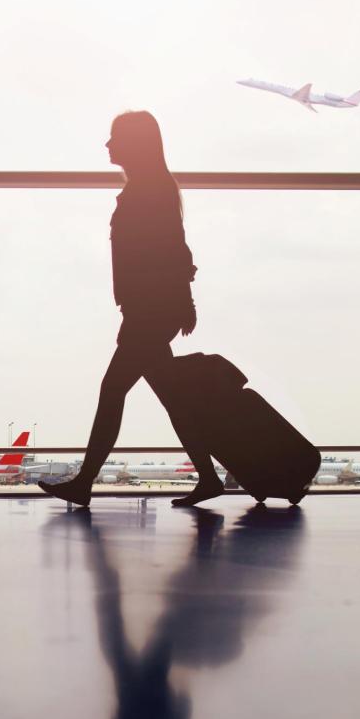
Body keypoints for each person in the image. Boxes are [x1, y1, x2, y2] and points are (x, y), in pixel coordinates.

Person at [39, 110, 223, 508]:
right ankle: (208, 478)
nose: (108, 144)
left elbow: (172, 249)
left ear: (135, 145)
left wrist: (179, 302)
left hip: (149, 312)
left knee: (112, 390)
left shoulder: (148, 191)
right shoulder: (148, 188)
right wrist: (180, 303)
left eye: (115, 138)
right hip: (148, 310)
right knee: (171, 397)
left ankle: (84, 482)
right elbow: (174, 249)